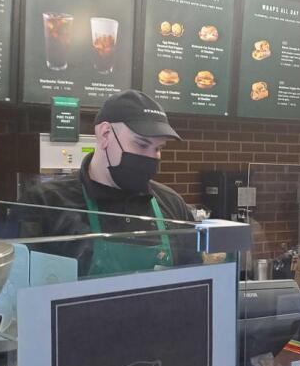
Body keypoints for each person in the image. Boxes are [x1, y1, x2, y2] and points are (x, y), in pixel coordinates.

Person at [19, 90, 197, 276]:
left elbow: (196, 282)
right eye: (142, 145)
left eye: (158, 148)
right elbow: (23, 292)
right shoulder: (46, 203)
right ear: (105, 134)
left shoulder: (172, 204)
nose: (151, 157)